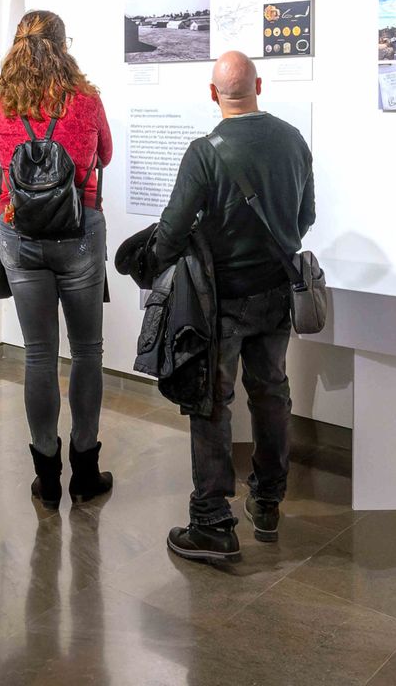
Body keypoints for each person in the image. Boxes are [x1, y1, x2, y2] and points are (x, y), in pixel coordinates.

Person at [148, 51, 315, 562]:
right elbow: (304, 217)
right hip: (276, 294)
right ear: (259, 85)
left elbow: (173, 229)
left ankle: (213, 521)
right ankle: (266, 502)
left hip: (218, 302)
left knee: (211, 402)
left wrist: (153, 262)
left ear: (212, 92)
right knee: (270, 394)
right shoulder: (293, 140)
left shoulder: (205, 151)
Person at [0, 10, 115, 509]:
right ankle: (85, 469)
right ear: (63, 46)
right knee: (87, 352)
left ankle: (46, 476)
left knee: (39, 353)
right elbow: (103, 155)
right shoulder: (86, 100)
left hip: (19, 231)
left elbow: (8, 161)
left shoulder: (1, 102)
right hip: (79, 229)